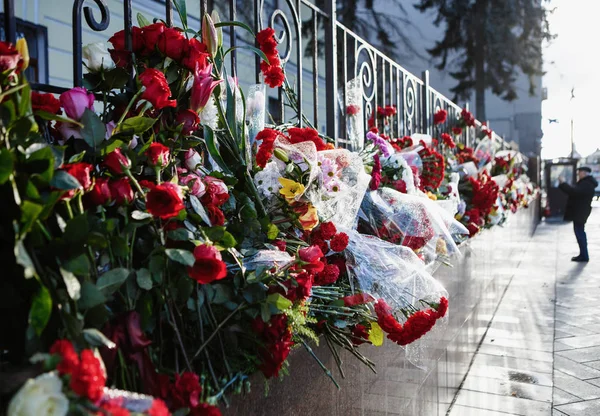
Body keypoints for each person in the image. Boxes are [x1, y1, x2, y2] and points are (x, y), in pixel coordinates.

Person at [559, 166, 598, 262]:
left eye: (579, 173)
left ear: (584, 173)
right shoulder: (586, 183)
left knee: (580, 232)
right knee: (579, 232)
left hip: (581, 212)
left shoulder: (586, 184)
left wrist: (563, 183)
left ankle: (584, 255)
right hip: (580, 211)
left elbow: (574, 192)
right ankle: (583, 254)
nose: (578, 175)